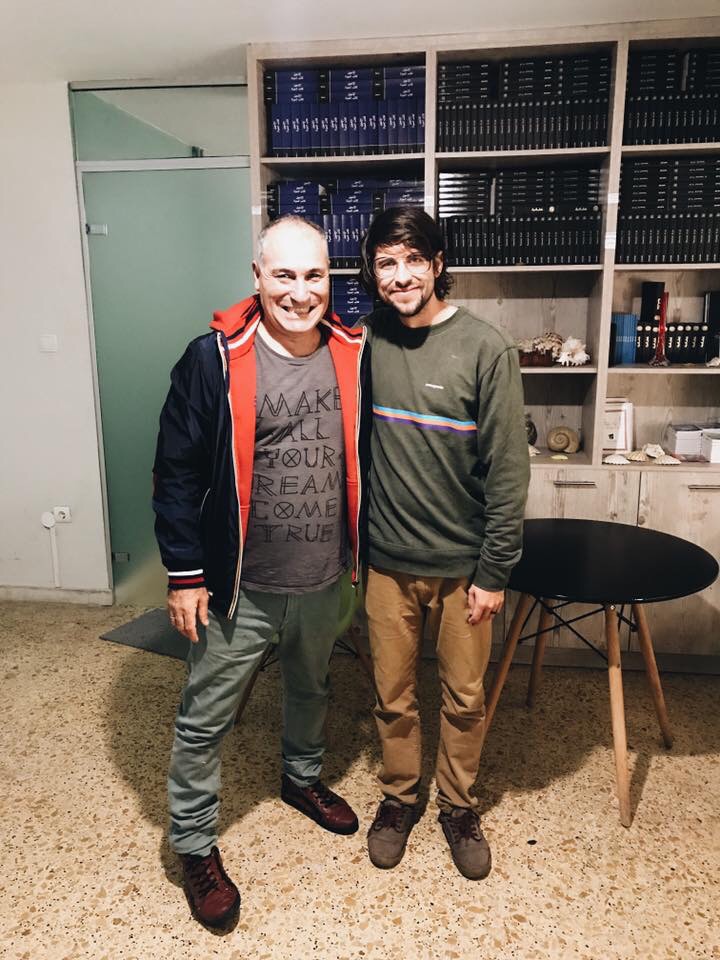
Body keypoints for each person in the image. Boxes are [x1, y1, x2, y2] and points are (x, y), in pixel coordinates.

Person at [153, 215, 368, 930]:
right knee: (205, 716)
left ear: (330, 279)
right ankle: (193, 842)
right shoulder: (213, 358)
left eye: (314, 275)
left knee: (312, 685)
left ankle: (301, 779)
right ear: (257, 276)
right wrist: (185, 574)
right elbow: (176, 473)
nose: (300, 292)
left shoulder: (353, 352)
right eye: (284, 275)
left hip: (325, 576)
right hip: (238, 583)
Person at [358, 206, 530, 881]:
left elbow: (508, 470)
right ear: (372, 272)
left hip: (464, 567)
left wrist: (495, 571)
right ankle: (400, 796)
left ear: (437, 263)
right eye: (386, 263)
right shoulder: (365, 341)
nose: (400, 276)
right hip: (386, 563)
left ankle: (458, 805)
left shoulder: (487, 348)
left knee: (464, 696)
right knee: (392, 692)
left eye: (412, 260)